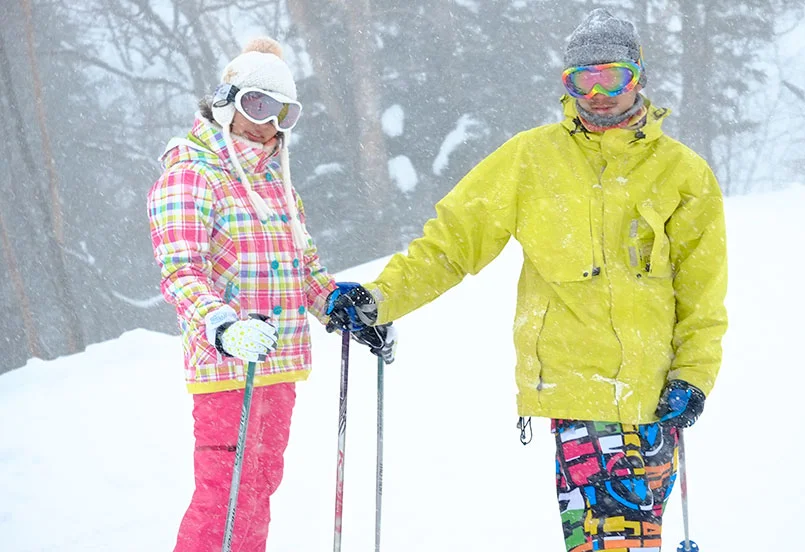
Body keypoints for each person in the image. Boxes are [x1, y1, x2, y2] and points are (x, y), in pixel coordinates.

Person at [327, 9, 727, 552]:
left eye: (612, 76)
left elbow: (702, 295)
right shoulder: (530, 160)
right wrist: (380, 298)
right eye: (581, 79)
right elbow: (451, 244)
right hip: (576, 392)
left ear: (639, 76)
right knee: (611, 544)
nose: (598, 93)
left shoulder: (684, 173)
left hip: (654, 398)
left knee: (630, 542)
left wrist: (694, 377)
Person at [147, 37, 394, 552]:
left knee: (257, 490)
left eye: (285, 112)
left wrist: (337, 304)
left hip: (277, 361)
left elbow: (300, 267)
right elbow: (180, 272)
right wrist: (223, 326)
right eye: (257, 104)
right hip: (225, 366)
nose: (268, 123)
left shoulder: (276, 180)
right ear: (226, 102)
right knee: (224, 495)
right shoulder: (192, 173)